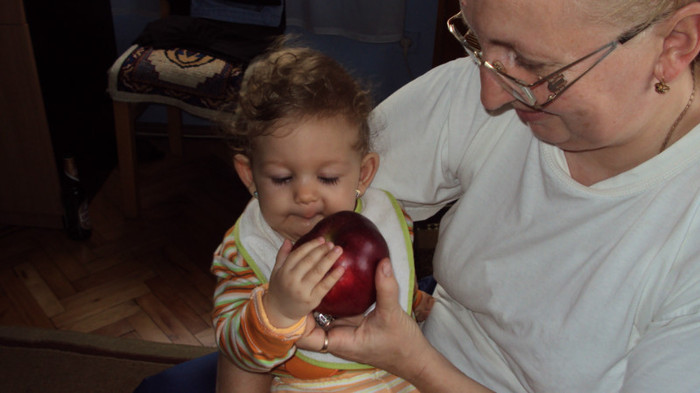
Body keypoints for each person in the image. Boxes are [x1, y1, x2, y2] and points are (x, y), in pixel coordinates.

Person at [318, 0, 700, 392]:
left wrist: (415, 363)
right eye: (477, 43)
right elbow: (309, 199)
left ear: (675, 43)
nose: (490, 97)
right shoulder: (495, 80)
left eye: (534, 67)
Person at [210, 45, 433, 392]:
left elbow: (392, 280)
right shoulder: (243, 252)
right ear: (249, 176)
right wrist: (276, 311)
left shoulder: (388, 220)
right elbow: (234, 348)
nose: (305, 196)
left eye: (327, 178)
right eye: (282, 178)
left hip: (398, 376)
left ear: (363, 174)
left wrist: (416, 302)